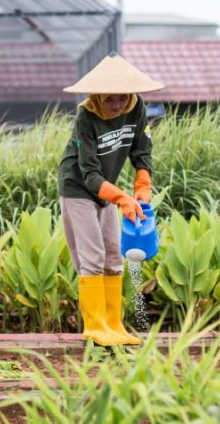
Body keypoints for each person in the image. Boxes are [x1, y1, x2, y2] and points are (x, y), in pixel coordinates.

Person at [58, 53, 165, 347]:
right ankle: (95, 327)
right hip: (78, 188)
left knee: (114, 258)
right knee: (92, 258)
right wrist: (121, 199)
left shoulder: (136, 107)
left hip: (106, 189)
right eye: (109, 99)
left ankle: (114, 324)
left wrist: (142, 186)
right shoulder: (86, 117)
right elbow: (89, 174)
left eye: (122, 97)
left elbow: (141, 151)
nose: (117, 104)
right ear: (96, 97)